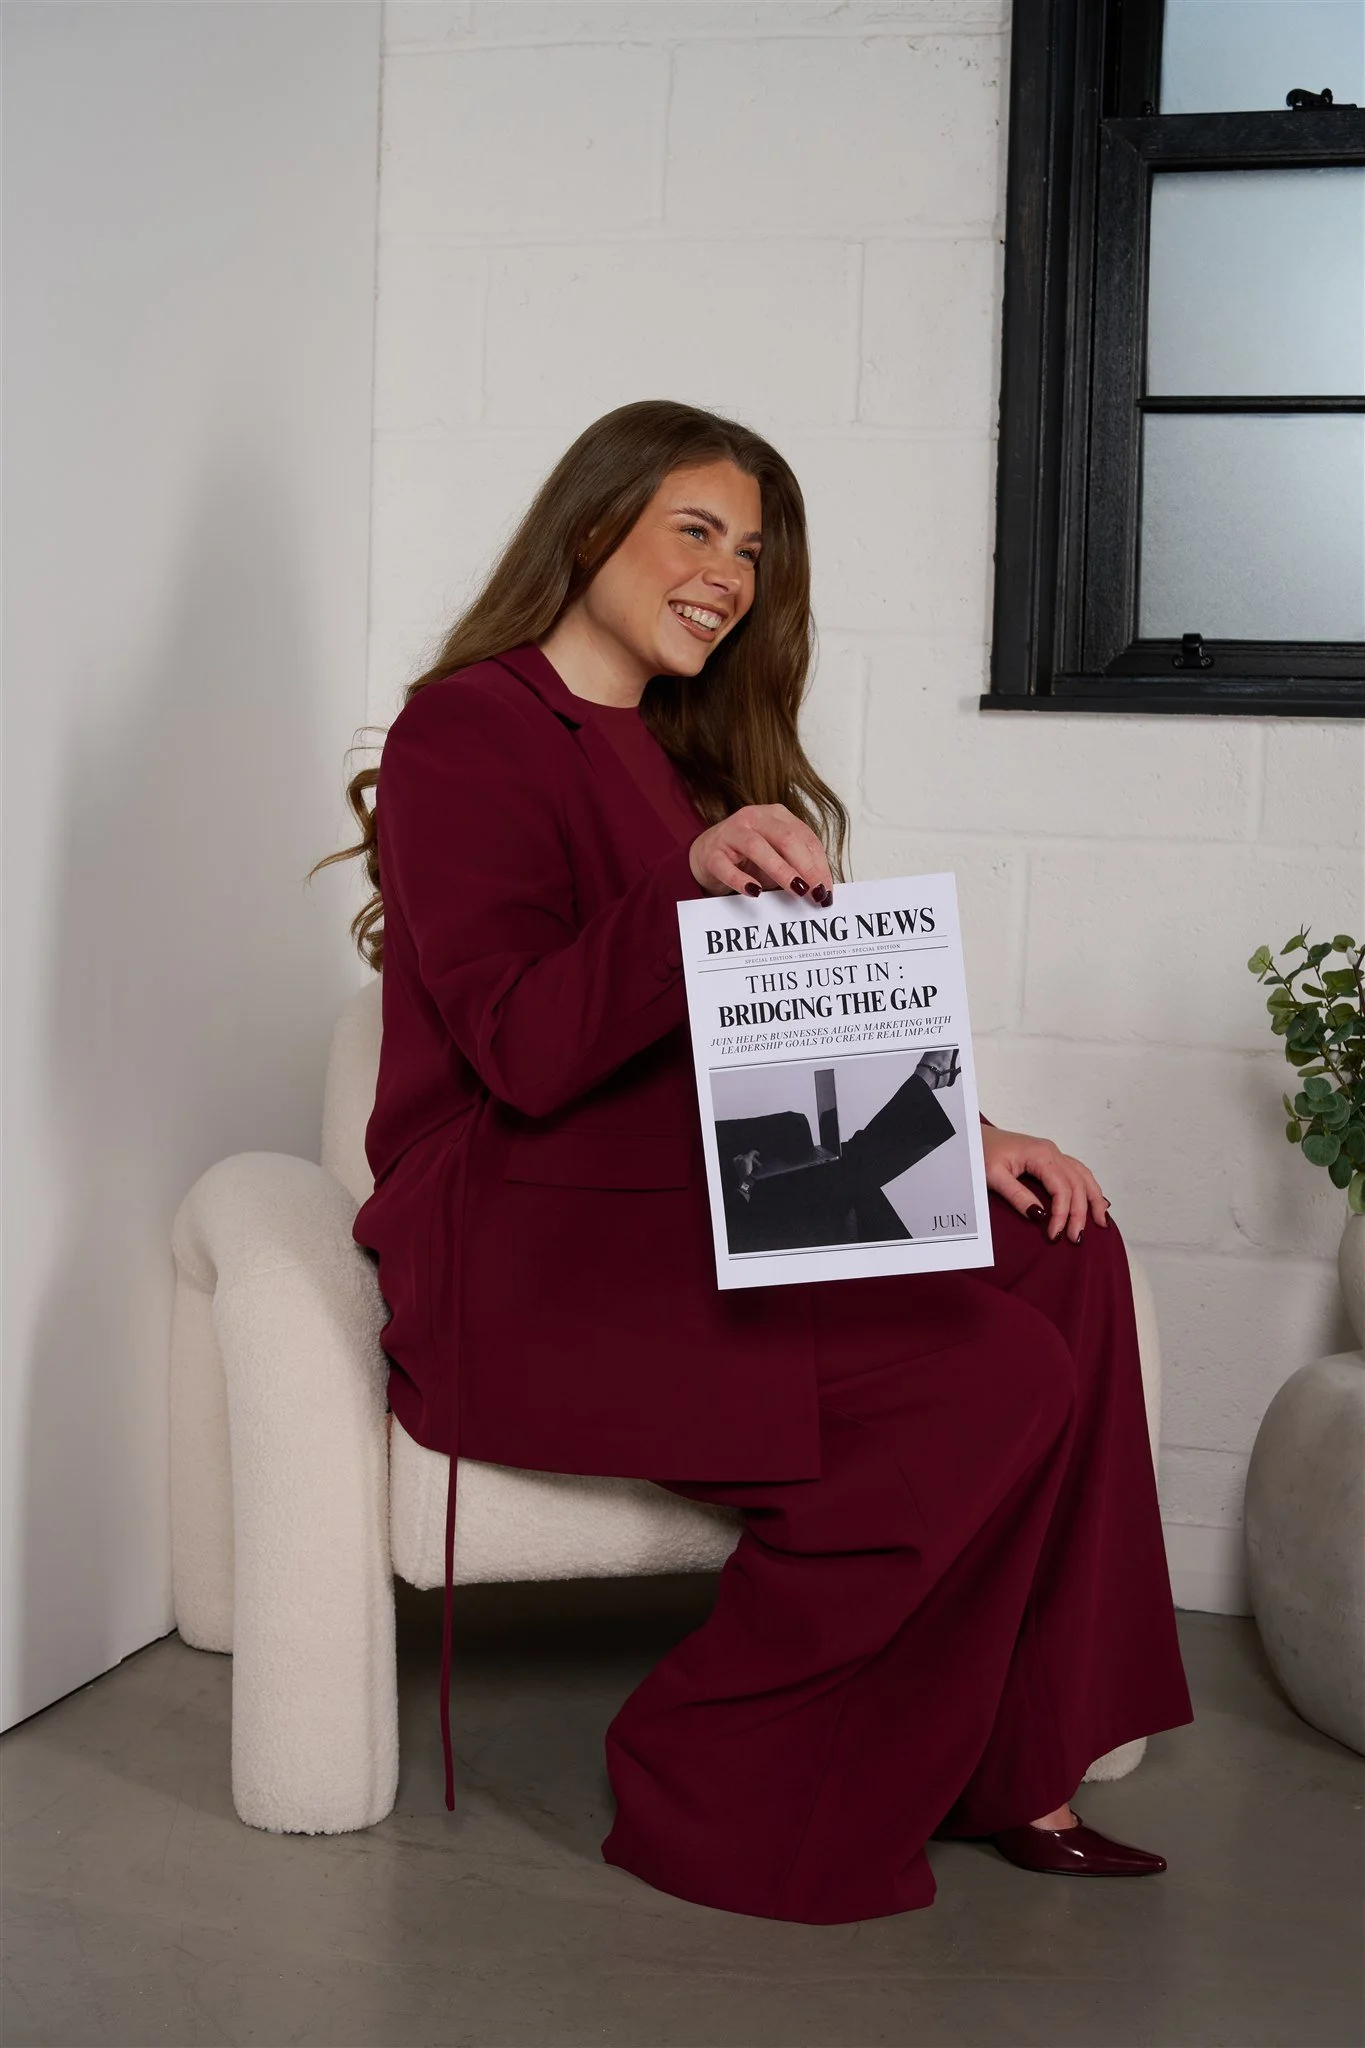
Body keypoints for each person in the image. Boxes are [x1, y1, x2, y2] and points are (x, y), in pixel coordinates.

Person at [310, 398, 1193, 1925]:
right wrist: (685, 887)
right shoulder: (467, 725)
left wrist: (963, 1138)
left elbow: (760, 1039)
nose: (730, 573)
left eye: (754, 551)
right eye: (696, 530)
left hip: (679, 1197)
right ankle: (711, 1776)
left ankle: (1019, 1760)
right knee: (990, 1376)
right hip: (526, 1246)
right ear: (591, 531)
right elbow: (519, 1046)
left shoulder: (675, 754)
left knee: (1064, 1244)